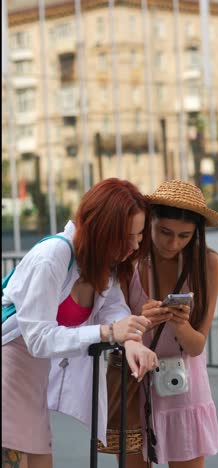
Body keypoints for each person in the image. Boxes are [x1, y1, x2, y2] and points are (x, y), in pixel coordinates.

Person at [2, 178, 158, 468]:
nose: (135, 245)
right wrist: (108, 332)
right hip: (9, 368)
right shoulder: (53, 257)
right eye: (127, 236)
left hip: (30, 374)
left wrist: (132, 341)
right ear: (102, 230)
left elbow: (113, 306)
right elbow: (38, 338)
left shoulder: (101, 261)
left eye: (138, 235)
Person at [123, 179, 218, 468]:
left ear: (197, 234)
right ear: (149, 221)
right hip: (135, 385)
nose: (173, 243)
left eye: (185, 236)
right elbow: (113, 329)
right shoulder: (130, 260)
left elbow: (196, 346)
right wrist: (140, 321)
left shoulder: (208, 263)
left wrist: (181, 325)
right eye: (164, 232)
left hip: (185, 389)